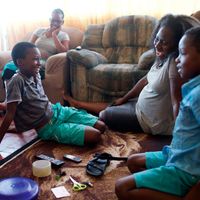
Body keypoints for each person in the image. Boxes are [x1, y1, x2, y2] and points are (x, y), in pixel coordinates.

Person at [64, 14, 197, 134]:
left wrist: (180, 134)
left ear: (176, 45)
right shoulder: (161, 58)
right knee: (115, 104)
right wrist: (124, 98)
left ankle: (78, 112)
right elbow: (145, 80)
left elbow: (177, 102)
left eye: (164, 42)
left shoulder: (174, 64)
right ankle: (78, 104)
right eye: (157, 39)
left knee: (104, 115)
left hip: (150, 121)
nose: (157, 45)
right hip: (139, 107)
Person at [115, 26, 200, 200]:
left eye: (182, 53)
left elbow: (176, 102)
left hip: (186, 169)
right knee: (132, 161)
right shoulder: (193, 87)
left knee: (122, 187)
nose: (177, 59)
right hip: (176, 154)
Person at [0, 42, 106, 147]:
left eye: (39, 59)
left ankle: (73, 125)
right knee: (95, 135)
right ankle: (68, 129)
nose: (39, 63)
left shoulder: (35, 73)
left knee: (101, 126)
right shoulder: (16, 81)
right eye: (35, 59)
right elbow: (10, 114)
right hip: (48, 127)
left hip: (58, 111)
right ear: (20, 62)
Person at [29, 8, 70, 79]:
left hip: (43, 63)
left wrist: (54, 35)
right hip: (31, 59)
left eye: (58, 21)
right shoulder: (39, 30)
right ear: (50, 19)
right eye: (53, 20)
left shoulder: (64, 35)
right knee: (9, 69)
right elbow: (27, 46)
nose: (55, 23)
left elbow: (64, 52)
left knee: (26, 71)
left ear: (62, 22)